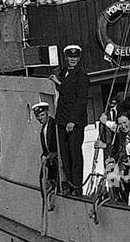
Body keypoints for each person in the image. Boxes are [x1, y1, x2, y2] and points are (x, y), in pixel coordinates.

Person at [53, 44, 89, 194]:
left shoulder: (81, 75)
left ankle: (77, 187)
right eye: (70, 57)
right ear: (66, 57)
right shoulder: (65, 73)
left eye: (75, 57)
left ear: (79, 58)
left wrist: (72, 121)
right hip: (62, 120)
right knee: (65, 155)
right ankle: (68, 184)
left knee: (75, 154)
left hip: (74, 122)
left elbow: (81, 100)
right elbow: (67, 91)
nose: (72, 59)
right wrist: (58, 82)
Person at [32, 100, 60, 202]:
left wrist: (52, 155)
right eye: (38, 116)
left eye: (42, 115)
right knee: (43, 179)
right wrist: (44, 156)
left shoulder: (53, 125)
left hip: (56, 160)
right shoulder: (43, 129)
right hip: (50, 160)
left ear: (47, 113)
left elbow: (58, 144)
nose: (40, 118)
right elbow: (46, 149)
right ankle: (46, 198)